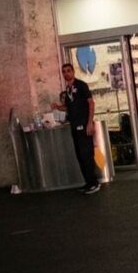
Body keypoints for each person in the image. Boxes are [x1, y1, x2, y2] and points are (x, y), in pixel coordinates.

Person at [51, 63, 99, 194]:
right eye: (64, 71)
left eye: (68, 71)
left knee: (87, 155)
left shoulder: (81, 85)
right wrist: (57, 107)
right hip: (74, 126)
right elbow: (68, 107)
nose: (66, 73)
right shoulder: (68, 90)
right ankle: (88, 182)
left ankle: (94, 183)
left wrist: (89, 123)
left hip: (84, 126)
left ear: (73, 72)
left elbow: (91, 103)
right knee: (80, 156)